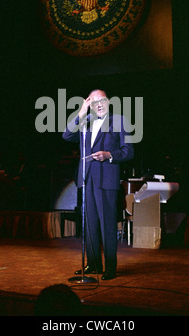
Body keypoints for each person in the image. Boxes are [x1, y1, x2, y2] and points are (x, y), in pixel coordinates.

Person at [62, 89, 134, 280]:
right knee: (89, 225)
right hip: (86, 180)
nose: (99, 104)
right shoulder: (85, 122)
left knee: (107, 225)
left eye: (102, 100)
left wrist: (110, 155)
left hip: (106, 180)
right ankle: (93, 265)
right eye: (94, 102)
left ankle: (111, 267)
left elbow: (129, 151)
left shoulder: (118, 121)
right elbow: (67, 136)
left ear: (108, 102)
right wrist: (80, 113)